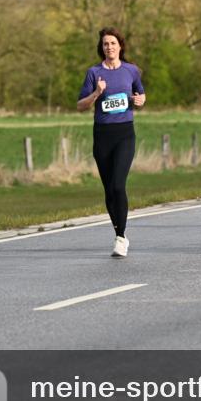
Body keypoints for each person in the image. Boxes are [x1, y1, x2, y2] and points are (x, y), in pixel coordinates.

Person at [77, 27, 145, 257]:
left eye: (113, 43)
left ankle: (121, 237)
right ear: (102, 47)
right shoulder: (93, 72)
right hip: (102, 134)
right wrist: (96, 92)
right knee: (108, 189)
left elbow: (141, 95)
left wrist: (140, 100)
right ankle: (119, 231)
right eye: (106, 44)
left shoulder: (131, 70)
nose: (109, 47)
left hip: (125, 133)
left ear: (120, 46)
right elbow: (80, 105)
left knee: (118, 185)